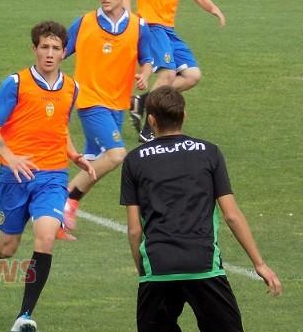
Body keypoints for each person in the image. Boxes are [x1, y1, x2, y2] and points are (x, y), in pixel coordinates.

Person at [120, 86, 281, 331]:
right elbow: (232, 215)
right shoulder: (209, 153)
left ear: (151, 120)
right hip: (203, 266)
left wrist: (143, 270)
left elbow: (134, 230)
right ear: (184, 116)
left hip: (158, 268)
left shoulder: (134, 159)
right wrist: (259, 264)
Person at [0, 21, 95, 332]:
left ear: (64, 52)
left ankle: (24, 316)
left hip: (52, 176)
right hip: (15, 178)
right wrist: (10, 157)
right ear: (34, 49)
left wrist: (76, 155)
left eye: (56, 48)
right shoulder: (15, 84)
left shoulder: (72, 87)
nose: (50, 54)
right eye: (44, 47)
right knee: (8, 246)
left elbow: (60, 130)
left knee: (46, 237)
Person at [55, 0, 154, 240]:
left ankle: (53, 214)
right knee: (116, 155)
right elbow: (59, 52)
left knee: (92, 164)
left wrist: (144, 76)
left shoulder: (137, 26)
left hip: (117, 105)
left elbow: (148, 59)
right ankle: (64, 202)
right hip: (90, 102)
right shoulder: (85, 22)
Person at [125, 0, 226, 142]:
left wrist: (215, 10)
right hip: (150, 25)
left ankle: (143, 101)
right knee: (168, 73)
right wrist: (131, 22)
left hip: (168, 30)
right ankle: (148, 129)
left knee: (192, 75)